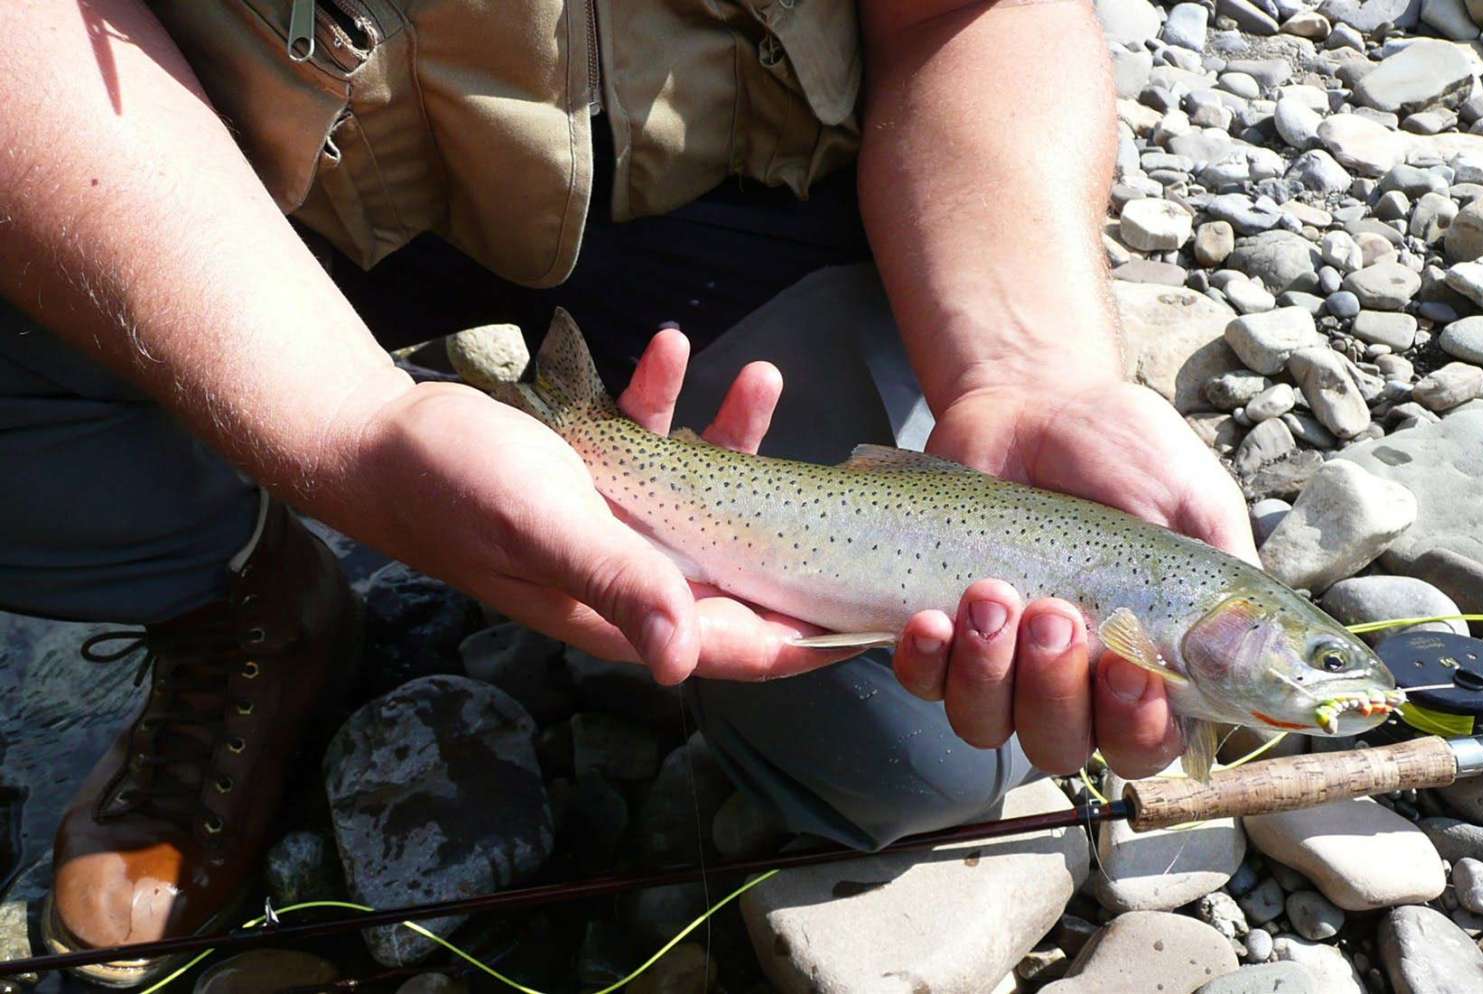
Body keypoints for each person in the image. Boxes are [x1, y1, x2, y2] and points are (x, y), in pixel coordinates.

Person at [0, 0, 1257, 984]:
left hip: (714, 201)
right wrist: (352, 439)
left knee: (913, 756)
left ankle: (591, 464)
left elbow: (966, 11)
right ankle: (237, 596)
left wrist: (1025, 369)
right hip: (214, 169)